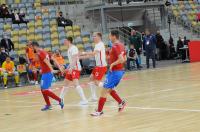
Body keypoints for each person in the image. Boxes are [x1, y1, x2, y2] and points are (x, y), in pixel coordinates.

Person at [91, 30, 126, 116]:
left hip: (115, 72)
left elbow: (121, 59)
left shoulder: (115, 46)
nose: (109, 38)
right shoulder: (121, 45)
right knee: (109, 90)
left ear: (114, 36)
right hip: (118, 71)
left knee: (104, 91)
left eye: (110, 36)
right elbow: (125, 59)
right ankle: (121, 102)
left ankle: (99, 111)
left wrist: (112, 64)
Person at [31, 41, 64, 111]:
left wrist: (52, 69)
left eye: (31, 47)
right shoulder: (43, 51)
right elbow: (53, 58)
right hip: (45, 73)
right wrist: (59, 66)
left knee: (45, 90)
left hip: (47, 74)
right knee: (43, 90)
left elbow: (46, 61)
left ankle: (59, 100)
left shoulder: (40, 52)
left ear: (34, 46)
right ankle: (48, 105)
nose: (31, 49)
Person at [59, 37, 88, 105]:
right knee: (65, 83)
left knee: (76, 84)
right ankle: (59, 99)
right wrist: (68, 68)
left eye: (65, 40)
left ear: (69, 41)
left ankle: (84, 100)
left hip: (75, 68)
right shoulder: (69, 49)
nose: (64, 42)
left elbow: (75, 59)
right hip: (72, 68)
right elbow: (71, 61)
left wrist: (71, 68)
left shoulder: (73, 48)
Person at [80, 32, 107, 102]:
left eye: (94, 36)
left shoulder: (100, 44)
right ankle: (93, 97)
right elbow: (92, 55)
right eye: (93, 36)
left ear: (99, 37)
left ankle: (110, 86)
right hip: (97, 66)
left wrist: (84, 53)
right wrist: (81, 57)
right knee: (91, 78)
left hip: (101, 66)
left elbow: (94, 53)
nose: (93, 38)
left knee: (96, 82)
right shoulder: (97, 45)